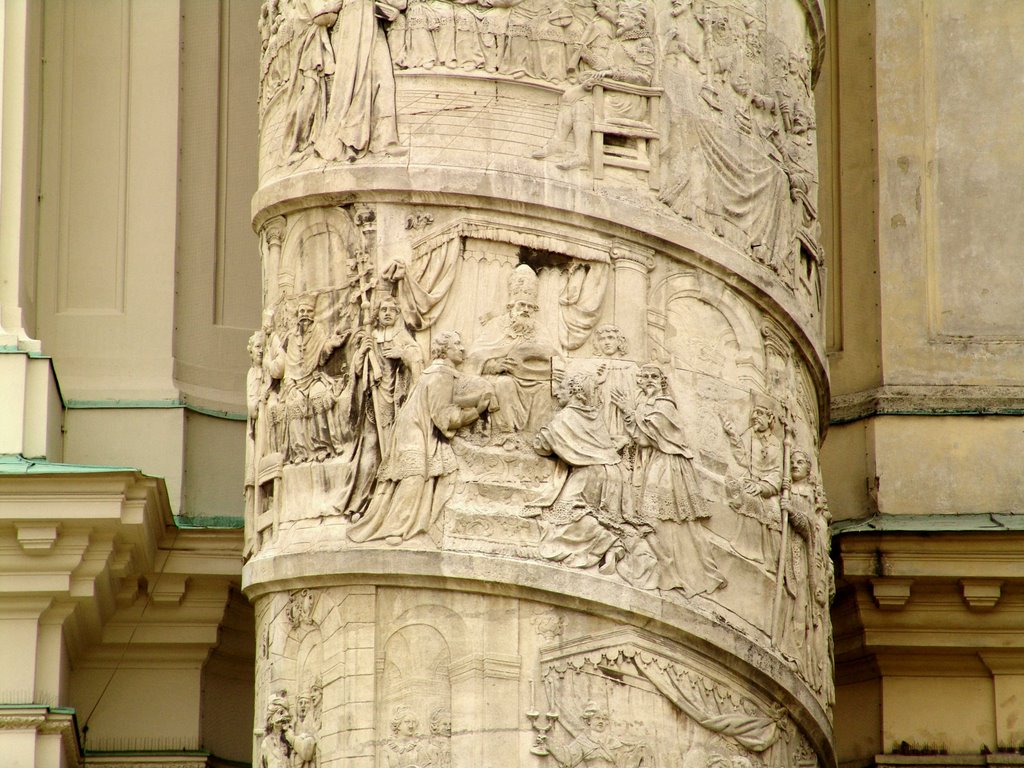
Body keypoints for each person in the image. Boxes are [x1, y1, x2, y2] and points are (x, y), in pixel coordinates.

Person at [348, 331, 493, 545]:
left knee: (405, 479)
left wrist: (471, 400)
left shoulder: (437, 373)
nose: (463, 348)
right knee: (413, 478)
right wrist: (477, 411)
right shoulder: (441, 375)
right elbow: (444, 417)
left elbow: (446, 400)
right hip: (415, 430)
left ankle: (388, 521)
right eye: (457, 344)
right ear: (444, 350)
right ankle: (396, 526)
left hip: (410, 427)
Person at [612, 363, 726, 597]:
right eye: (646, 376)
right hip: (652, 463)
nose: (650, 380)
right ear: (640, 381)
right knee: (652, 517)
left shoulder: (664, 405)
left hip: (667, 464)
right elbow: (639, 436)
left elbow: (646, 438)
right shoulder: (645, 404)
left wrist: (627, 410)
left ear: (662, 381)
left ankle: (674, 570)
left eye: (655, 376)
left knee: (659, 517)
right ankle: (666, 568)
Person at [533, 373, 639, 575]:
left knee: (565, 517)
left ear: (573, 392)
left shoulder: (565, 417)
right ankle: (612, 545)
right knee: (588, 514)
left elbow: (542, 446)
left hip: (591, 475)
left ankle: (609, 544)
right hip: (614, 474)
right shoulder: (593, 414)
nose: (556, 392)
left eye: (561, 388)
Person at [532, 1, 655, 170]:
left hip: (629, 99)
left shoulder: (643, 43)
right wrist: (587, 56)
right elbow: (605, 67)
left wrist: (612, 73)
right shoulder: (619, 41)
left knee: (583, 106)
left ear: (637, 21)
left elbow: (644, 77)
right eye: (619, 17)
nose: (619, 21)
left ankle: (581, 155)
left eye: (624, 17)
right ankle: (557, 143)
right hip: (610, 91)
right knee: (569, 95)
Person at [466, 264, 559, 438]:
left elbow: (553, 356)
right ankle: (505, 435)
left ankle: (536, 437)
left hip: (534, 380)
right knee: (504, 384)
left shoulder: (539, 329)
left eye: (530, 307)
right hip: (502, 377)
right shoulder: (496, 325)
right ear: (511, 306)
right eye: (521, 305)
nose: (525, 310)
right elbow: (475, 356)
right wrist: (493, 365)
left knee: (546, 389)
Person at [315, 0, 409, 161]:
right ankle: (348, 138)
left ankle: (385, 140)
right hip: (353, 26)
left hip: (371, 24)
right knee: (350, 85)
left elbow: (399, 4)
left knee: (385, 82)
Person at [265, 295, 347, 463]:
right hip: (294, 383)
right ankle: (300, 452)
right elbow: (286, 365)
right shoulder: (291, 337)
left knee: (319, 397)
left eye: (308, 311)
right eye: (301, 311)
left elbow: (321, 357)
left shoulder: (318, 331)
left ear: (313, 314)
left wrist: (332, 344)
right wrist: (290, 386)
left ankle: (323, 446)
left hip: (314, 378)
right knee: (294, 405)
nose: (304, 314)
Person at [722, 395, 783, 568]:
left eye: (760, 413)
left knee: (773, 512)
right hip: (749, 480)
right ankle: (748, 550)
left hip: (767, 487)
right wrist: (733, 434)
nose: (755, 416)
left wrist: (763, 486)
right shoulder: (749, 435)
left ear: (770, 418)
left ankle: (771, 560)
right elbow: (742, 458)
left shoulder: (776, 444)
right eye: (754, 413)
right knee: (748, 497)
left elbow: (777, 472)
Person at [545, 701, 652, 768]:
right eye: (597, 718)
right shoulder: (583, 741)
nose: (601, 721)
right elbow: (567, 757)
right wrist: (548, 743)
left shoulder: (614, 742)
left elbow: (625, 763)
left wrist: (639, 751)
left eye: (603, 719)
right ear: (588, 721)